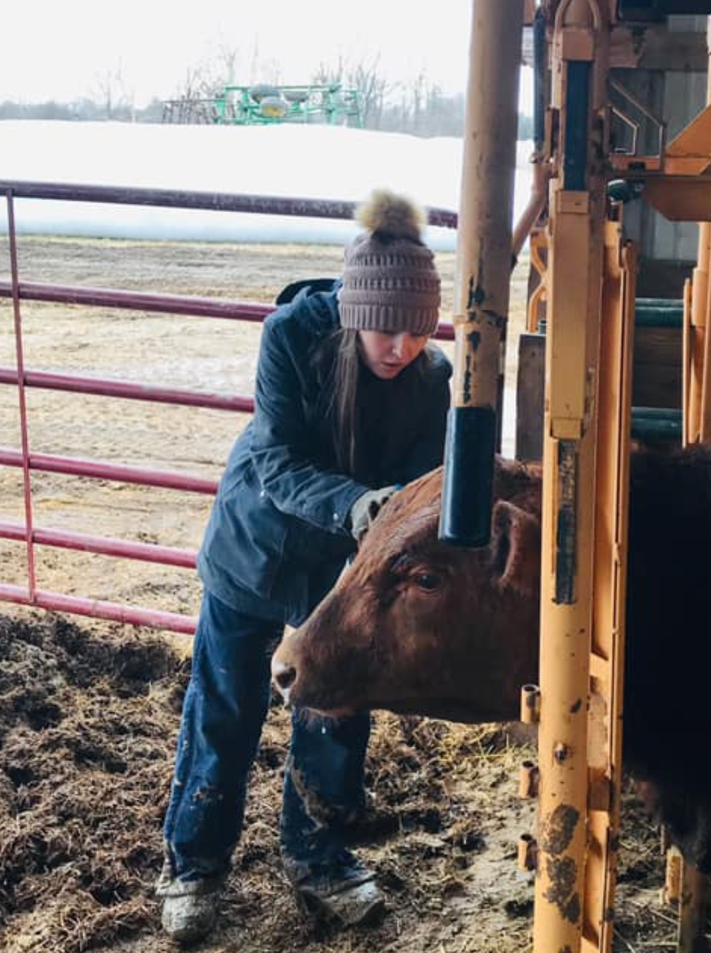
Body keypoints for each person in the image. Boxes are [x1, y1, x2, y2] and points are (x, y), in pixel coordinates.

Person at [157, 190, 452, 942]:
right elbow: (273, 459)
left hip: (343, 573)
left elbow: (424, 487)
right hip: (255, 548)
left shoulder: (432, 377)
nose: (402, 347)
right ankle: (194, 861)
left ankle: (319, 853)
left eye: (419, 331)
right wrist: (359, 507)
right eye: (388, 328)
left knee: (337, 702)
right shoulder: (292, 338)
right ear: (357, 313)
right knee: (225, 705)